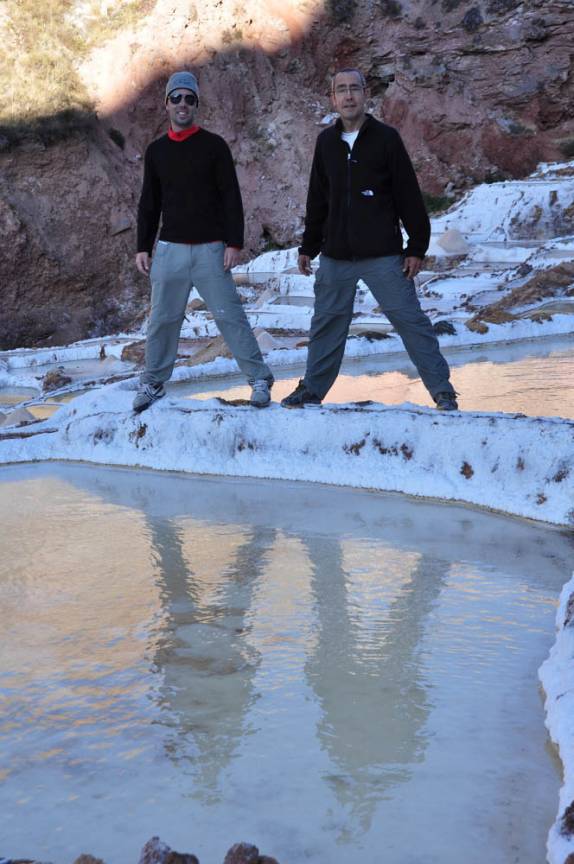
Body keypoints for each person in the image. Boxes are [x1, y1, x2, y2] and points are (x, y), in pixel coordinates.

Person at [281, 68, 458, 411]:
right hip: (335, 256)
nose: (348, 96)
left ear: (365, 95)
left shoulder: (386, 139)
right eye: (341, 90)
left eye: (354, 89)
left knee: (411, 322)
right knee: (326, 325)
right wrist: (309, 246)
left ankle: (443, 391)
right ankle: (311, 390)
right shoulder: (326, 143)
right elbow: (318, 198)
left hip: (383, 255)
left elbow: (408, 195)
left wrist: (416, 247)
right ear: (333, 98)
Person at [134, 70, 274, 412]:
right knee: (162, 320)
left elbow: (231, 197)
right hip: (169, 250)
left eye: (189, 98)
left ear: (196, 104)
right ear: (167, 104)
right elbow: (149, 202)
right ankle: (153, 384)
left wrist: (234, 242)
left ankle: (259, 380)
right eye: (177, 98)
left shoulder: (214, 146)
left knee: (230, 316)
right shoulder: (156, 152)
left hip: (211, 250)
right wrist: (143, 246)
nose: (183, 104)